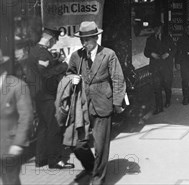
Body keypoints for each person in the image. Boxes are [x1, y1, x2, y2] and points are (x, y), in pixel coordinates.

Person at [67, 21, 126, 185]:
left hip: (102, 104)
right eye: (81, 39)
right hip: (82, 105)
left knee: (100, 147)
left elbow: (118, 79)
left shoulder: (108, 54)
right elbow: (68, 76)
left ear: (95, 38)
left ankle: (98, 178)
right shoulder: (76, 56)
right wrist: (72, 80)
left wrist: (117, 102)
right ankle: (91, 166)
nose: (83, 43)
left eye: (87, 39)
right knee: (78, 144)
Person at [28, 27, 73, 169]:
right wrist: (64, 65)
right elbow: (45, 73)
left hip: (37, 94)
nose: (54, 44)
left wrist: (55, 61)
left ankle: (40, 158)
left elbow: (44, 67)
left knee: (43, 126)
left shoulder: (34, 50)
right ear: (49, 39)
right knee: (53, 126)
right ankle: (55, 161)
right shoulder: (42, 53)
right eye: (54, 41)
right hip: (46, 95)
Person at [1, 49, 34, 185]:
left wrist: (18, 143)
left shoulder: (17, 86)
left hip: (10, 146)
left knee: (11, 181)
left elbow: (26, 116)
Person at [144, 21, 174, 114]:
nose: (157, 30)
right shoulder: (150, 39)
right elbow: (146, 52)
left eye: (159, 28)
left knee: (167, 85)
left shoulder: (167, 38)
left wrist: (168, 54)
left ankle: (168, 100)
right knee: (157, 87)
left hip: (166, 67)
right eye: (155, 28)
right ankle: (159, 107)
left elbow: (174, 49)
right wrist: (151, 54)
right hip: (155, 67)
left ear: (161, 28)